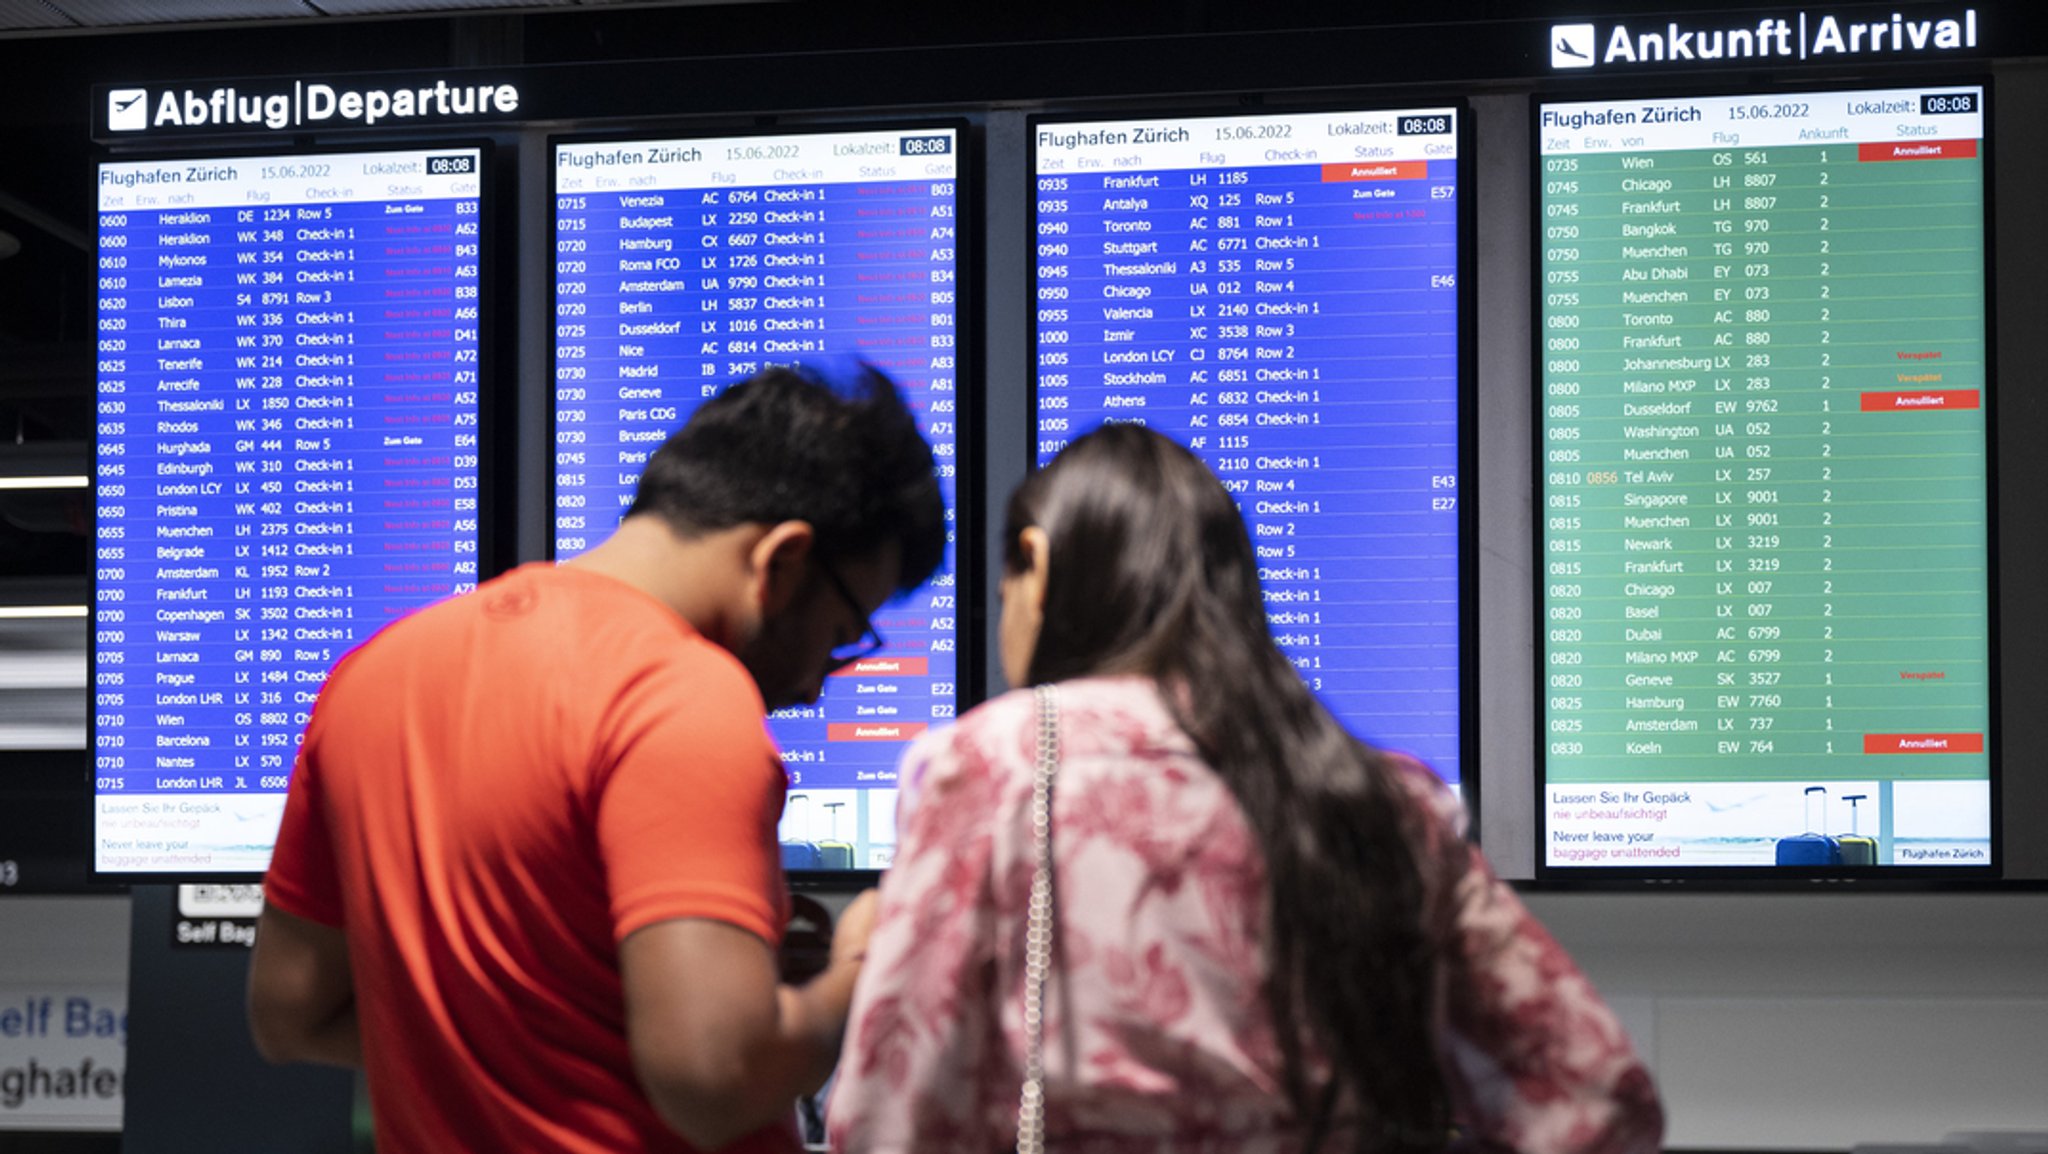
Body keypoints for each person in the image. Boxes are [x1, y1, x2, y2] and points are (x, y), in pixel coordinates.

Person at [829, 424, 1663, 1154]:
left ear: (1038, 566)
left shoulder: (988, 768)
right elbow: (1598, 1099)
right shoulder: (1383, 799)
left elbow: (890, 1123)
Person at [246, 364, 946, 1154]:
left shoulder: (371, 676)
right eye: (846, 634)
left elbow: (291, 1012)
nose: (821, 681)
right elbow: (713, 1077)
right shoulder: (683, 697)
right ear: (781, 561)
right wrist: (860, 974)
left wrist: (619, 994)